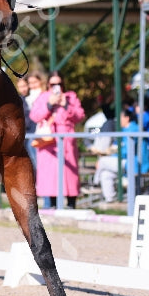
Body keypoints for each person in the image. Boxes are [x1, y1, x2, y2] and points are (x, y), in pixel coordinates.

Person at [29, 72, 85, 208]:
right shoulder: (43, 97)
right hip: (49, 143)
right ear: (48, 84)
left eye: (59, 83)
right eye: (53, 84)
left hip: (67, 141)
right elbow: (34, 116)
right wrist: (49, 104)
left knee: (70, 173)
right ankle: (52, 204)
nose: (56, 87)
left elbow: (80, 116)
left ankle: (71, 204)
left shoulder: (71, 97)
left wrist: (66, 105)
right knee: (50, 175)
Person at [95, 106, 149, 203]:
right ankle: (111, 201)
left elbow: (126, 151)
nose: (118, 121)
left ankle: (95, 183)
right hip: (127, 162)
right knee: (106, 174)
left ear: (127, 118)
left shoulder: (133, 129)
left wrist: (112, 155)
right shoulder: (126, 129)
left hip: (136, 163)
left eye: (120, 118)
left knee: (102, 162)